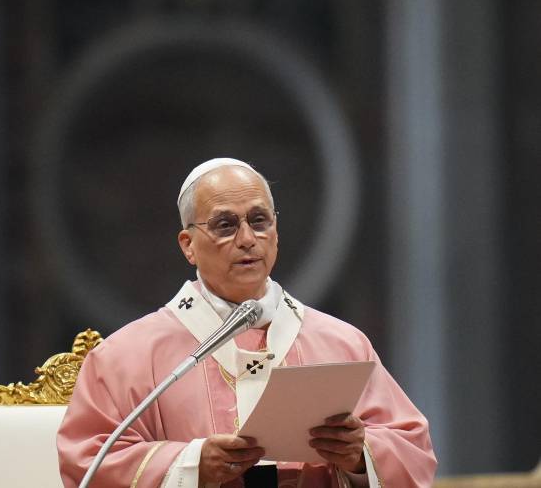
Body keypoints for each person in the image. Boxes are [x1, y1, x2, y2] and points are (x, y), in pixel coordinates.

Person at [57, 158, 436, 487]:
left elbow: (413, 450)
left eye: (259, 221)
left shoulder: (342, 344)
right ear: (188, 245)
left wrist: (358, 455)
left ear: (276, 231)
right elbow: (87, 463)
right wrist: (191, 465)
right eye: (225, 225)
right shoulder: (126, 357)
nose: (247, 239)